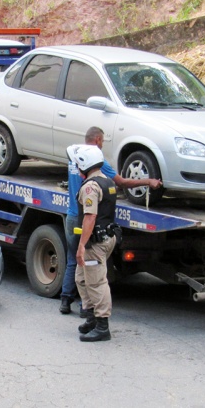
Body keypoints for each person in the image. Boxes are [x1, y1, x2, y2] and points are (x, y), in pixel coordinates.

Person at [59, 126, 163, 315]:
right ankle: (86, 307)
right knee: (90, 263)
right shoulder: (96, 161)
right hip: (87, 220)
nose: (103, 145)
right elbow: (121, 182)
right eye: (103, 141)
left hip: (72, 216)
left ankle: (65, 301)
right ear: (98, 140)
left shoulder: (75, 157)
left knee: (73, 259)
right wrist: (148, 182)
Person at [66, 144, 119, 342]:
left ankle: (102, 326)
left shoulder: (90, 186)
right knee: (81, 278)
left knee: (96, 282)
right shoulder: (106, 181)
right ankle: (91, 319)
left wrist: (81, 246)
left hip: (94, 244)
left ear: (84, 165)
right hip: (103, 238)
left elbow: (90, 216)